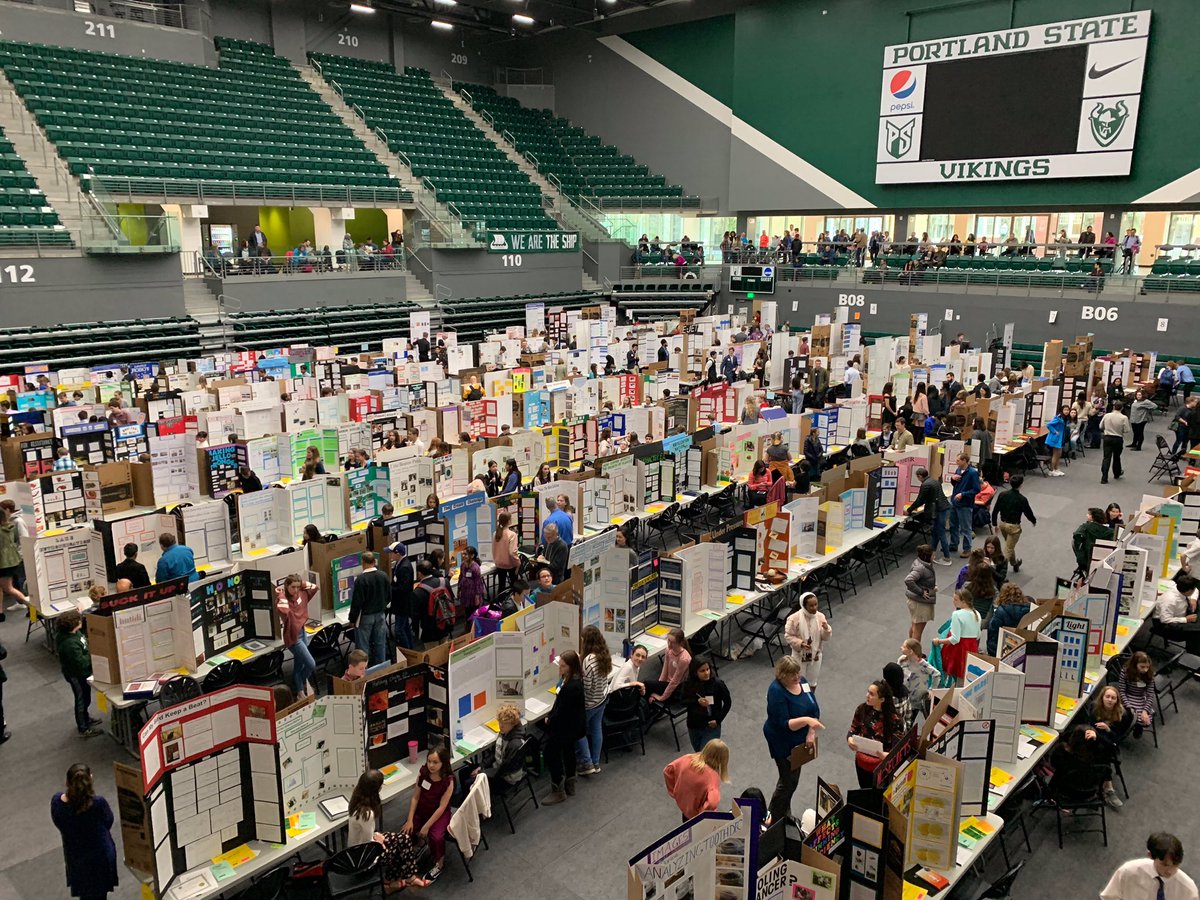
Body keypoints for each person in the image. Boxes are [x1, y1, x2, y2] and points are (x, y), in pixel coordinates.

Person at [762, 656, 822, 825]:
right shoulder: (776, 691)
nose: (797, 677)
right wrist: (807, 721)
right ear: (782, 675)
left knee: (790, 779)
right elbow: (785, 724)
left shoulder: (802, 682)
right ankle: (772, 818)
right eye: (792, 674)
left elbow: (814, 708)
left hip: (799, 741)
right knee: (788, 783)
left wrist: (811, 733)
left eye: (798, 672)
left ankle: (783, 813)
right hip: (782, 741)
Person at [50, 764, 118, 900]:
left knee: (85, 893)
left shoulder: (57, 803)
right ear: (90, 780)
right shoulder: (99, 803)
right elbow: (108, 821)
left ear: (67, 782)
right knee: (100, 894)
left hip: (76, 857)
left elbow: (58, 821)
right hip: (100, 856)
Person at [402, 745, 454, 881]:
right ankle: (418, 845)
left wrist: (426, 826)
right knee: (406, 832)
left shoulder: (448, 781)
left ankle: (439, 863)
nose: (431, 765)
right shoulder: (423, 772)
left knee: (436, 838)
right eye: (429, 761)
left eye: (435, 762)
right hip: (422, 809)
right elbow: (415, 797)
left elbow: (441, 807)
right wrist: (409, 820)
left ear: (443, 763)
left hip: (439, 814)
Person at [542, 650, 587, 805]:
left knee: (550, 752)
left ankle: (558, 789)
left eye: (563, 666)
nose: (559, 668)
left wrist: (550, 719)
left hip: (565, 727)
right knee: (568, 751)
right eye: (559, 665)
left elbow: (562, 711)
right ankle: (570, 783)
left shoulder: (571, 687)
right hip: (573, 726)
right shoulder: (573, 679)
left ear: (571, 666)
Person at [1101, 832, 1198, 900]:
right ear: (1150, 856)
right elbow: (1109, 897)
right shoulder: (1128, 872)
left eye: (1175, 865)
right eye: (1165, 865)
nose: (1170, 871)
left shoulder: (1187, 889)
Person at [846, 680, 903, 789]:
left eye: (871, 694)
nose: (867, 695)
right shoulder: (862, 709)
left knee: (878, 793)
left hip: (881, 765)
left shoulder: (894, 720)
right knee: (864, 788)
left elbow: (899, 747)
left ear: (882, 699)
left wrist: (889, 755)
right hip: (862, 761)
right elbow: (853, 729)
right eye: (868, 692)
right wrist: (849, 739)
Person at [575, 625, 613, 777]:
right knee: (596, 729)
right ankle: (596, 762)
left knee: (579, 731)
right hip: (601, 699)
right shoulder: (603, 654)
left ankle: (587, 763)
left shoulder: (588, 661)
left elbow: (586, 687)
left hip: (589, 703)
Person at [56, 611, 102, 737]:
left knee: (86, 698)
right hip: (77, 675)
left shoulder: (75, 633)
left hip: (82, 674)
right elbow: (81, 662)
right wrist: (92, 656)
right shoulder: (69, 644)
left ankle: (86, 719)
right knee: (81, 700)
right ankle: (83, 728)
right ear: (74, 624)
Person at [1087, 685, 1132, 810]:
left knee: (1104, 750)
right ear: (1102, 697)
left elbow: (1117, 739)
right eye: (1107, 697)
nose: (1110, 700)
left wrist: (1108, 729)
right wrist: (1096, 734)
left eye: (1113, 698)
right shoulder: (1094, 707)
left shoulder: (1122, 715)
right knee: (1102, 751)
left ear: (1117, 700)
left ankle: (1104, 786)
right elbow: (1090, 726)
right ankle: (1107, 786)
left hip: (1109, 742)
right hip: (1094, 739)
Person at [663, 739, 730, 822]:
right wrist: (700, 813)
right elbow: (712, 803)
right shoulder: (712, 778)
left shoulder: (687, 758)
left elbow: (667, 770)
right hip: (695, 816)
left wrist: (674, 791)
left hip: (684, 806)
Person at [275, 575, 318, 697]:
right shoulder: (283, 600)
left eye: (298, 587)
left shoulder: (302, 594)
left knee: (299, 665)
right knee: (311, 664)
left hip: (302, 632)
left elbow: (315, 587)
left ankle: (299, 690)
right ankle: (301, 684)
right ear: (286, 586)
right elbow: (283, 610)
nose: (295, 590)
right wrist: (281, 594)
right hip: (293, 637)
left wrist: (301, 583)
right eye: (293, 587)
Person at [348, 551, 390, 667]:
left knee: (363, 647)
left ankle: (363, 670)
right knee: (380, 644)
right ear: (374, 562)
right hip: (380, 614)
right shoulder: (383, 575)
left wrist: (352, 619)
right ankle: (381, 669)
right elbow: (389, 595)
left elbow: (357, 602)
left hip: (365, 617)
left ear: (363, 562)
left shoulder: (361, 580)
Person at [682, 655, 731, 751]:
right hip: (694, 725)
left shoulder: (717, 684)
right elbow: (682, 701)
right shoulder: (689, 684)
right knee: (698, 753)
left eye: (707, 669)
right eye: (702, 671)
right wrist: (696, 701)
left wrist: (718, 720)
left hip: (710, 726)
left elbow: (727, 702)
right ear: (695, 672)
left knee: (705, 754)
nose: (706, 673)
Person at [783, 591, 832, 687]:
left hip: (815, 654)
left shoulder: (820, 617)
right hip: (799, 656)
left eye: (816, 604)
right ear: (804, 606)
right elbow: (788, 636)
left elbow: (825, 638)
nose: (814, 608)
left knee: (812, 682)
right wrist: (800, 643)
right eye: (811, 606)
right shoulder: (793, 619)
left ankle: (810, 696)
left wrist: (826, 629)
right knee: (798, 682)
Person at [932, 591, 981, 684]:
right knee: (965, 677)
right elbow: (978, 635)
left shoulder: (957, 614)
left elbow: (955, 639)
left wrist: (939, 641)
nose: (953, 601)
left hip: (958, 650)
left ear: (964, 601)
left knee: (953, 674)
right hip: (972, 648)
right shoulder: (977, 613)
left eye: (955, 599)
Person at [990, 474, 1036, 572]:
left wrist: (994, 524)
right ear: (1021, 485)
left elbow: (995, 510)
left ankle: (1014, 563)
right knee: (1008, 549)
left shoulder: (1002, 494)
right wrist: (1033, 521)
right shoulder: (1022, 499)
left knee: (1009, 545)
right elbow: (1028, 512)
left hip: (1002, 524)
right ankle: (998, 568)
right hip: (1013, 527)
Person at [907, 466, 952, 565]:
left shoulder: (925, 484)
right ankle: (932, 552)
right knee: (935, 532)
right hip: (944, 507)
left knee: (941, 533)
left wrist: (909, 510)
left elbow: (920, 500)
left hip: (938, 510)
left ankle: (947, 558)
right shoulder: (934, 481)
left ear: (920, 476)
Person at [1154, 570, 1200, 653]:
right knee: (1196, 632)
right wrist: (1185, 619)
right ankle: (1193, 654)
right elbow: (1165, 619)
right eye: (1192, 590)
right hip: (1166, 625)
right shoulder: (1170, 601)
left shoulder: (1179, 587)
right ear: (1188, 591)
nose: (1194, 591)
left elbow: (1195, 590)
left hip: (1180, 615)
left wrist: (1193, 599)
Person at [897, 639, 939, 726]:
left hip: (917, 699)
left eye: (904, 647)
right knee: (902, 719)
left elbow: (936, 674)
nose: (901, 648)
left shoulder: (923, 664)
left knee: (910, 720)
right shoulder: (902, 660)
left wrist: (932, 690)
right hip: (904, 695)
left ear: (911, 651)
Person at [644, 628, 692, 705]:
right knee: (646, 687)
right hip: (666, 683)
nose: (669, 644)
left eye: (673, 642)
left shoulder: (684, 659)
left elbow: (675, 682)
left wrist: (662, 697)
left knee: (646, 685)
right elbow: (664, 670)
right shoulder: (668, 650)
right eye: (668, 640)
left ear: (680, 643)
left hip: (676, 689)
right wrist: (658, 686)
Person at [904, 544, 938, 643]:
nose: (934, 556)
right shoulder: (921, 568)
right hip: (920, 603)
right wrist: (921, 592)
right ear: (928, 556)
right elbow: (908, 580)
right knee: (918, 631)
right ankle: (915, 650)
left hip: (915, 601)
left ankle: (910, 647)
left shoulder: (919, 563)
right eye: (933, 555)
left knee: (914, 626)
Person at [1118, 650, 1156, 740]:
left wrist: (1145, 711)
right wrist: (1129, 707)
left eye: (1147, 667)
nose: (1145, 670)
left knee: (1144, 719)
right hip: (1127, 696)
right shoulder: (1125, 672)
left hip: (1141, 697)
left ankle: (1138, 727)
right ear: (1135, 665)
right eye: (1142, 667)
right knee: (1129, 716)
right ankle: (1125, 729)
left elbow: (1150, 695)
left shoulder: (1150, 674)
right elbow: (1122, 691)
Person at [948, 452, 979, 557]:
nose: (956, 462)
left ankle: (967, 549)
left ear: (964, 461)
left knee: (965, 528)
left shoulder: (972, 473)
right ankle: (953, 544)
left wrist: (963, 494)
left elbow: (976, 489)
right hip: (955, 502)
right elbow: (955, 485)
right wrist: (953, 479)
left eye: (958, 460)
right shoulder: (958, 470)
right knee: (953, 526)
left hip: (965, 504)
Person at [387, 542, 416, 650]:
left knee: (399, 630)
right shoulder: (399, 564)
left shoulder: (404, 567)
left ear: (397, 553)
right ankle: (411, 650)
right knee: (405, 628)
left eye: (391, 552)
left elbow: (403, 588)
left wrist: (390, 588)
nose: (390, 555)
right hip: (400, 603)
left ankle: (407, 652)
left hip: (403, 603)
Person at [1073, 507, 1115, 578]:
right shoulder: (1110, 532)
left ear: (1092, 517)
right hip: (1104, 562)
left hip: (1086, 561)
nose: (1087, 515)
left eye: (1089, 514)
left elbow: (1076, 536)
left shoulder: (1085, 527)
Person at [1100, 400, 1133, 484]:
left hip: (1107, 437)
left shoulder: (1107, 415)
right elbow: (1126, 430)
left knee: (1106, 457)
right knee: (1117, 457)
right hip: (1118, 438)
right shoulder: (1124, 418)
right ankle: (1116, 473)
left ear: (1114, 407)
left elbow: (1101, 426)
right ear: (1122, 408)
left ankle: (1104, 477)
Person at [456, 545, 484, 612]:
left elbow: (478, 583)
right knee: (466, 610)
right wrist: (458, 590)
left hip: (473, 593)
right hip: (465, 591)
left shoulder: (475, 567)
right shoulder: (463, 565)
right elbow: (460, 577)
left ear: (472, 556)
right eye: (463, 554)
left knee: (473, 611)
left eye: (465, 554)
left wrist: (477, 596)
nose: (463, 556)